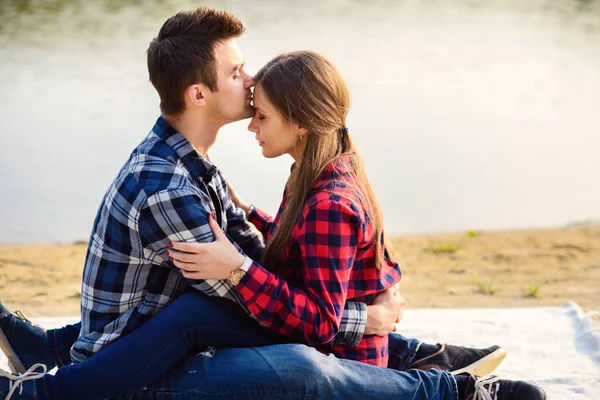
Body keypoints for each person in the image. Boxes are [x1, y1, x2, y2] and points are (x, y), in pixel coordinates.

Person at [0, 7, 544, 400]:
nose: (252, 79)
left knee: (256, 318)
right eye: (237, 73)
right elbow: (261, 308)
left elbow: (262, 257)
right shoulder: (170, 186)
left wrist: (253, 264)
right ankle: (434, 381)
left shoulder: (195, 164)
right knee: (299, 365)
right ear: (199, 95)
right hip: (137, 364)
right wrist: (368, 318)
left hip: (162, 332)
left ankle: (409, 356)